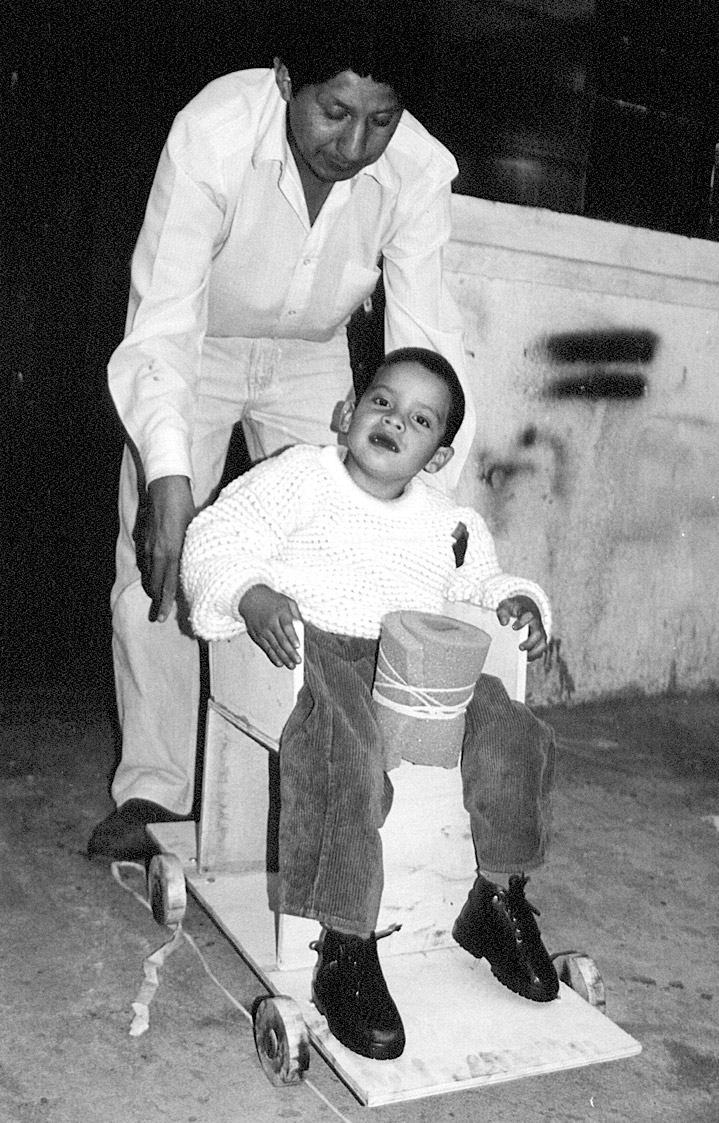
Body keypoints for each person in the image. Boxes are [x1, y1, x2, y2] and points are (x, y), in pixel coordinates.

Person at [88, 1, 478, 862]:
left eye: (380, 120)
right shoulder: (213, 133)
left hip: (312, 359)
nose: (353, 143)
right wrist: (165, 476)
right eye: (333, 112)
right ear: (284, 79)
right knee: (159, 561)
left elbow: (427, 340)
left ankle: (300, 776)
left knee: (341, 548)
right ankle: (155, 790)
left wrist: (432, 510)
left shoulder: (414, 170)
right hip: (198, 346)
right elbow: (160, 321)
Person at [181, 348, 559, 1062]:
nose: (393, 421)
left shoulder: (448, 519)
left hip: (415, 661)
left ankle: (496, 896)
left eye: (418, 419)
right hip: (313, 648)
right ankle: (345, 939)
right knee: (344, 748)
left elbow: (481, 580)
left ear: (437, 453)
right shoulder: (299, 476)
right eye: (381, 402)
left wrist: (518, 601)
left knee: (513, 728)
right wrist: (250, 593)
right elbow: (218, 535)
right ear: (346, 413)